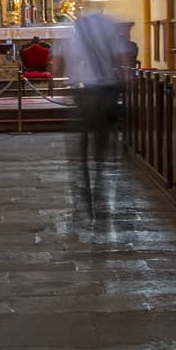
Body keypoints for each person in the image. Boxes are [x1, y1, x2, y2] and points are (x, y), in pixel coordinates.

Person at [61, 11, 126, 216]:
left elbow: (68, 60)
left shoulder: (75, 30)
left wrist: (69, 83)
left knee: (83, 133)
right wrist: (123, 78)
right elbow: (119, 57)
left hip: (83, 90)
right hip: (105, 88)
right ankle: (99, 174)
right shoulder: (108, 25)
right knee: (102, 133)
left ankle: (82, 173)